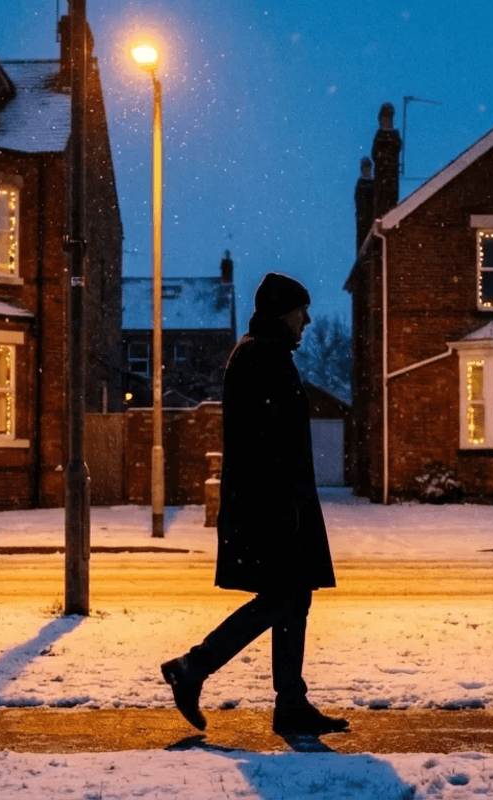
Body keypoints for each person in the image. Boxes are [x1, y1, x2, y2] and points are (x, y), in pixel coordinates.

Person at [161, 272, 348, 736]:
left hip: (275, 503)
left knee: (292, 596)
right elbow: (269, 443)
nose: (307, 319)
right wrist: (286, 507)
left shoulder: (264, 352)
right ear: (282, 310)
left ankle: (290, 703)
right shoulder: (261, 355)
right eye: (301, 310)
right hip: (272, 506)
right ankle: (193, 667)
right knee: (283, 597)